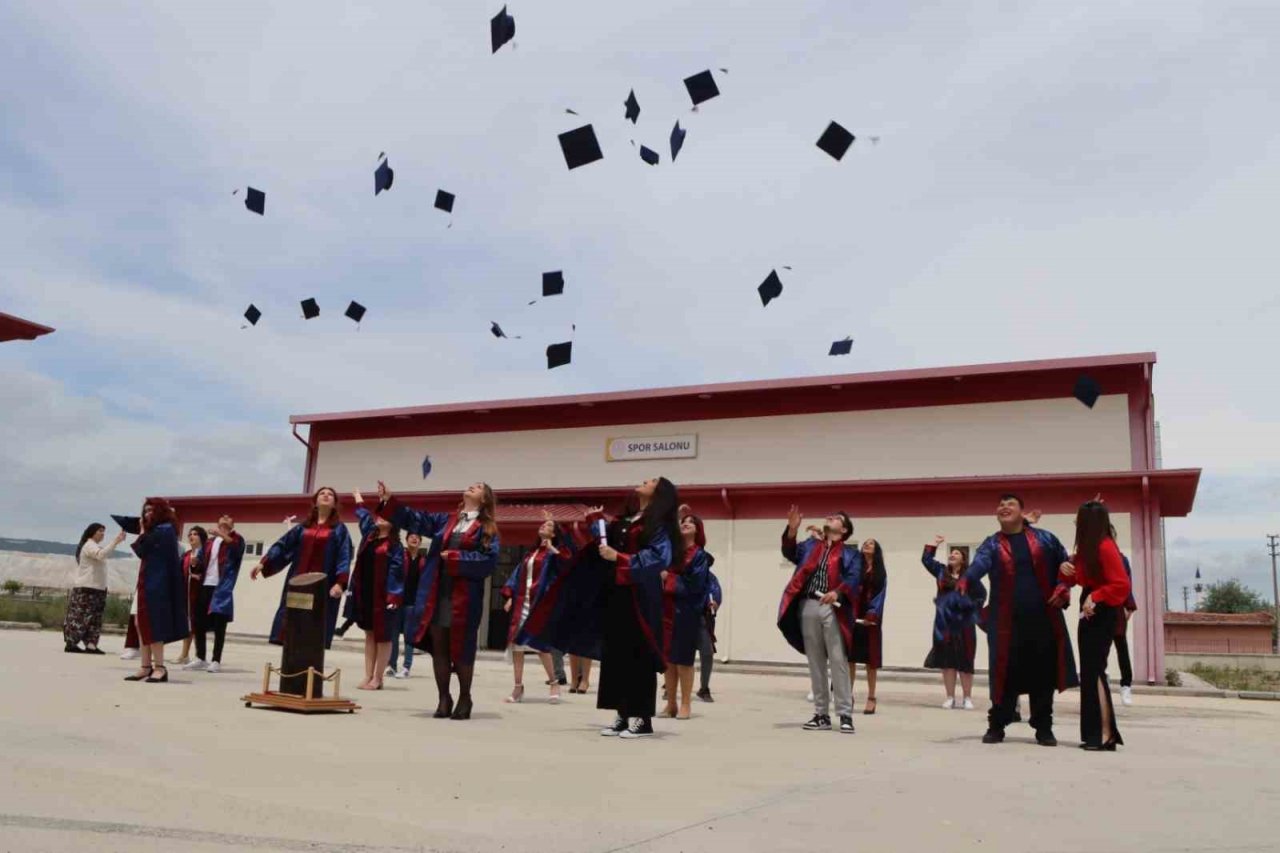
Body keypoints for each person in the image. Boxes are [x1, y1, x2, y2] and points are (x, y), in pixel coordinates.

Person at [524, 479, 680, 740]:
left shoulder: (658, 525)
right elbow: (602, 543)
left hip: (640, 596)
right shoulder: (628, 518)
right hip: (616, 592)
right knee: (616, 653)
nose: (645, 480)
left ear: (660, 493)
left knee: (638, 653)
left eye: (652, 481)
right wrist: (595, 521)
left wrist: (620, 558)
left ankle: (641, 718)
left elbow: (658, 557)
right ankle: (622, 714)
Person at [378, 480, 500, 721]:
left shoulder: (487, 528)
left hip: (464, 598)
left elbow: (489, 560)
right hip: (437, 593)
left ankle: (465, 697)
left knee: (463, 650)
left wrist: (455, 557)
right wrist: (389, 501)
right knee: (440, 648)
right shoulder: (447, 521)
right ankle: (444, 697)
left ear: (484, 499)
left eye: (478, 487)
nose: (471, 486)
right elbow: (417, 519)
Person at [963, 494, 1078, 746]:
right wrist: (963, 582)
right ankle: (997, 724)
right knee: (1004, 673)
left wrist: (1063, 588)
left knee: (1043, 675)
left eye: (1010, 504)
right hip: (1006, 623)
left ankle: (1043, 727)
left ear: (1022, 512)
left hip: (1043, 618)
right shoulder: (991, 544)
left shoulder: (1045, 539)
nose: (1004, 507)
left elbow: (1067, 567)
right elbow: (978, 567)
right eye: (1001, 505)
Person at [1052, 502, 1132, 749]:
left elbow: (1121, 585)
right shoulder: (1088, 549)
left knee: (1094, 671)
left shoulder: (1105, 546)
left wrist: (1095, 596)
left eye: (1079, 519)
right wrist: (1065, 569)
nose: (1076, 523)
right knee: (1089, 672)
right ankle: (1096, 734)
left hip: (1103, 611)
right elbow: (1079, 579)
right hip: (1089, 612)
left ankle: (1105, 734)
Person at [778, 505, 862, 734]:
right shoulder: (810, 546)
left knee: (838, 660)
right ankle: (821, 714)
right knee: (815, 661)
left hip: (832, 608)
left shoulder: (850, 553)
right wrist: (792, 530)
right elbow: (789, 552)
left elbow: (855, 576)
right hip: (807, 605)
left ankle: (845, 713)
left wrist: (838, 591)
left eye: (837, 517)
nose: (830, 516)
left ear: (843, 529)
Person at [251, 487, 353, 650]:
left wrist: (340, 583)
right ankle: (290, 672)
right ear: (315, 502)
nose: (326, 495)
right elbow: (282, 545)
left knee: (314, 630)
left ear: (335, 504)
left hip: (322, 588)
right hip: (298, 585)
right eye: (322, 493)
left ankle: (310, 672)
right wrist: (264, 562)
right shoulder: (302, 528)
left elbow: (344, 557)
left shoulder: (339, 530)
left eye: (330, 494)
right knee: (293, 625)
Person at [502, 513, 571, 704]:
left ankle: (554, 683)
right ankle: (518, 687)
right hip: (522, 601)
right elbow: (517, 575)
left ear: (555, 533)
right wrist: (509, 596)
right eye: (543, 524)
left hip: (540, 603)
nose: (543, 526)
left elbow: (567, 566)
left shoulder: (556, 552)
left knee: (541, 645)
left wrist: (553, 549)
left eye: (548, 526)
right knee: (517, 645)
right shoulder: (531, 553)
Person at [124, 498, 188, 683]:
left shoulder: (166, 529)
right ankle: (145, 667)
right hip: (145, 582)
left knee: (154, 624)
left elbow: (142, 550)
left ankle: (159, 667)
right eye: (145, 510)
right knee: (139, 623)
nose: (147, 513)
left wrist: (143, 531)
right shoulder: (156, 530)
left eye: (151, 510)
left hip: (158, 584)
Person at [345, 492, 404, 690]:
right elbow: (363, 516)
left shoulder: (395, 546)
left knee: (383, 636)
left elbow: (397, 573)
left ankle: (378, 678)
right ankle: (368, 675)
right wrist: (358, 498)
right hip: (366, 593)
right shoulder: (369, 536)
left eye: (384, 515)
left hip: (385, 596)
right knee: (369, 634)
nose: (379, 517)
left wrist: (393, 596)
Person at [922, 535, 987, 709]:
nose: (952, 555)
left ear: (963, 559)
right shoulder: (941, 571)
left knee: (965, 659)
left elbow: (982, 594)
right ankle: (950, 697)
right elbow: (926, 560)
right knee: (947, 660)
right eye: (951, 552)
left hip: (964, 623)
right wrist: (933, 544)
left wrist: (972, 607)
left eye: (957, 553)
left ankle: (967, 698)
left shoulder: (970, 576)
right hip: (944, 623)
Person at [659, 513, 712, 719]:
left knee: (684, 660)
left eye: (691, 522)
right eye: (683, 522)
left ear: (698, 529)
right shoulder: (670, 552)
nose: (686, 524)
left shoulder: (700, 556)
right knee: (669, 661)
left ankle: (686, 704)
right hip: (666, 610)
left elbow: (695, 585)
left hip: (687, 612)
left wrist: (668, 578)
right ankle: (670, 704)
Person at [184, 516, 244, 673]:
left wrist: (221, 534)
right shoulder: (210, 542)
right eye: (221, 517)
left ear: (232, 524)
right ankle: (200, 657)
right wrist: (195, 563)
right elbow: (202, 561)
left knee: (219, 624)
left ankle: (216, 660)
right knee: (199, 622)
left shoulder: (236, 538)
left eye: (228, 517)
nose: (224, 518)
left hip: (222, 587)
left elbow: (236, 549)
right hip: (205, 585)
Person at [64, 523, 125, 654]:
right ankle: (71, 642)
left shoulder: (95, 546)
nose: (102, 534)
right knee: (80, 616)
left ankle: (91, 645)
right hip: (87, 587)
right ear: (92, 532)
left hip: (97, 588)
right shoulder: (89, 545)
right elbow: (100, 555)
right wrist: (116, 541)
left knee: (95, 618)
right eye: (100, 531)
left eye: (103, 531)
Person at [849, 537, 887, 715]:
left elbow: (880, 595)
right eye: (865, 543)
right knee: (850, 658)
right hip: (853, 616)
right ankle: (847, 696)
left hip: (871, 619)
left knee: (870, 662)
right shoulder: (856, 567)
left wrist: (872, 614)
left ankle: (871, 697)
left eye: (871, 543)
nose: (866, 544)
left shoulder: (880, 572)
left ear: (876, 549)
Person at [389, 532, 427, 679]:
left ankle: (406, 667)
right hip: (398, 601)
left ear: (420, 542)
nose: (414, 538)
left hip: (413, 604)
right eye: (411, 536)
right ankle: (391, 666)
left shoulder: (423, 561)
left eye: (418, 537)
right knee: (393, 635)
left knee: (409, 637)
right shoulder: (400, 556)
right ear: (406, 540)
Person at [175, 526, 208, 665]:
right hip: (186, 593)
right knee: (187, 624)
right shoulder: (186, 555)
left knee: (197, 624)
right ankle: (184, 655)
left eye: (195, 534)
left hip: (199, 593)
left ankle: (199, 656)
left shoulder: (206, 554)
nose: (191, 536)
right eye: (190, 534)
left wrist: (199, 577)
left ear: (202, 537)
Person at [696, 569, 722, 702]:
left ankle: (704, 688)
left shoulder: (710, 578)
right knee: (674, 654)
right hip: (681, 616)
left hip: (702, 619)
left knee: (707, 652)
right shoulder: (678, 573)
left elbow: (716, 593)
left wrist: (715, 602)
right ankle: (669, 686)